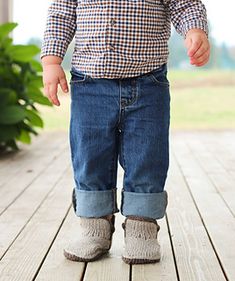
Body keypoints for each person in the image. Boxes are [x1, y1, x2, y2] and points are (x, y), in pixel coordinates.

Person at [40, 0, 210, 264]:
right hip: (90, 82)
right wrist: (52, 60)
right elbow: (61, 12)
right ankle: (94, 225)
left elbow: (185, 4)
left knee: (147, 156)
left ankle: (141, 227)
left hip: (148, 82)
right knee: (90, 155)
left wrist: (194, 30)